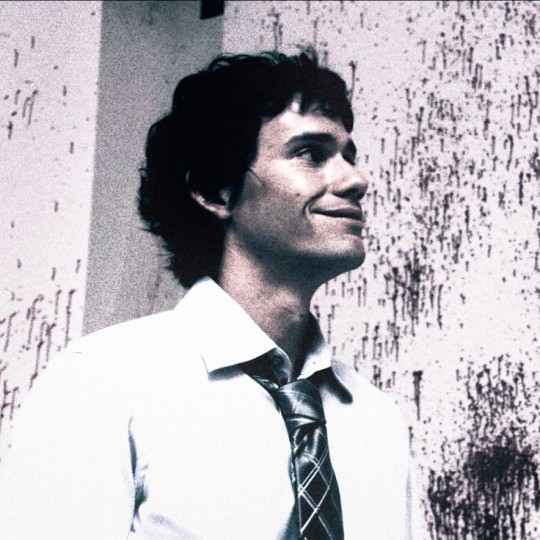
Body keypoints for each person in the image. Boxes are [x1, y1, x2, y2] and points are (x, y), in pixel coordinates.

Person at [0, 50, 422, 539]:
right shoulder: (102, 382)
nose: (356, 180)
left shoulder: (375, 420)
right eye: (310, 153)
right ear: (215, 190)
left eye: (349, 156)